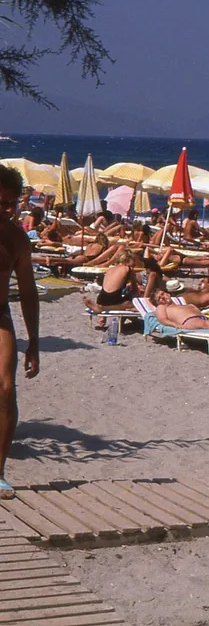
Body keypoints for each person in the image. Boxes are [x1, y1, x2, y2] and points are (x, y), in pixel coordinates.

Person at [0, 165, 40, 499]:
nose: (6, 210)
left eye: (10, 204)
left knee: (5, 388)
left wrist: (34, 343)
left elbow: (28, 292)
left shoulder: (16, 239)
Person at [81, 248, 139, 312]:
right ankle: (101, 308)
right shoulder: (128, 269)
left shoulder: (110, 269)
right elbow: (135, 290)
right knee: (130, 304)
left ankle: (102, 316)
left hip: (101, 299)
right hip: (112, 299)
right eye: (134, 260)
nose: (135, 264)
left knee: (114, 296)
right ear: (128, 259)